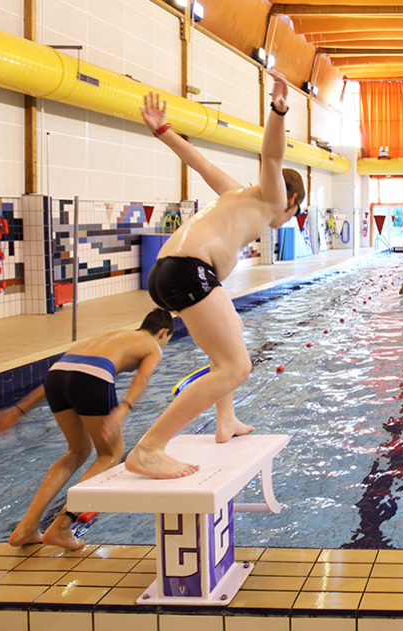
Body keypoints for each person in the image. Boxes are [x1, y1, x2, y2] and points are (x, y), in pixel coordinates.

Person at [127, 69, 305, 479]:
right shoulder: (273, 196)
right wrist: (278, 110)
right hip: (190, 270)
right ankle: (150, 447)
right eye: (296, 210)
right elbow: (272, 157)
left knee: (228, 337)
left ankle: (226, 420)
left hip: (168, 271)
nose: (290, 216)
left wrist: (164, 131)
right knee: (236, 367)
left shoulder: (235, 194)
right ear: (291, 198)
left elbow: (199, 161)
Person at [0, 309, 174, 549]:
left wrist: (18, 411)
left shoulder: (110, 337)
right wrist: (123, 410)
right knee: (110, 454)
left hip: (56, 378)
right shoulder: (152, 345)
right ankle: (61, 527)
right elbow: (142, 379)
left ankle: (27, 527)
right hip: (91, 379)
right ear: (163, 332)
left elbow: (61, 374)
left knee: (77, 450)